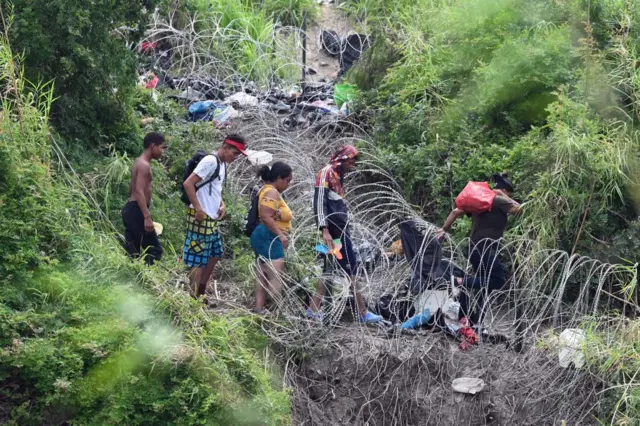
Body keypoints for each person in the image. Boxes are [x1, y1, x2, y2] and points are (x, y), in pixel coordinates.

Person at [307, 145, 383, 323]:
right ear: (342, 158)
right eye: (351, 160)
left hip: (339, 230)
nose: (353, 164)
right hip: (333, 232)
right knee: (351, 269)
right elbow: (319, 202)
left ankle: (313, 308)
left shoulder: (338, 175)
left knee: (331, 269)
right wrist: (324, 229)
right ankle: (362, 313)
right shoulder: (326, 173)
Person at [438, 173, 522, 327]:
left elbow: (456, 211)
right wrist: (503, 195)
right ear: (505, 190)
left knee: (484, 286)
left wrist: (444, 229)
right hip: (485, 248)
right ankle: (459, 281)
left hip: (475, 248)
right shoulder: (498, 200)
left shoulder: (482, 200)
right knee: (497, 280)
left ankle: (476, 322)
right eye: (509, 192)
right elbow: (520, 210)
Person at [182, 134, 247, 302]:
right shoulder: (210, 161)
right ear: (225, 147)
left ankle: (200, 291)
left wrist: (221, 203)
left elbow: (214, 188)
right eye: (234, 153)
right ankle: (193, 298)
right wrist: (198, 208)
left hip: (210, 219)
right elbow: (188, 184)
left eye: (238, 154)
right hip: (200, 218)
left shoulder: (222, 164)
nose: (235, 157)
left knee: (215, 253)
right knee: (199, 259)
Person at [249, 162, 294, 314]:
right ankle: (278, 312)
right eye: (287, 180)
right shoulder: (272, 192)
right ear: (279, 178)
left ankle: (260, 308)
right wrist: (281, 235)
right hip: (268, 236)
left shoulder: (267, 190)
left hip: (264, 235)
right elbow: (265, 216)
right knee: (275, 275)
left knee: (263, 273)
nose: (288, 184)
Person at [122, 132, 166, 265]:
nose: (162, 151)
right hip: (137, 210)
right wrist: (146, 216)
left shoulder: (138, 162)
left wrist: (128, 207)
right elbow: (138, 190)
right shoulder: (144, 165)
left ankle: (132, 277)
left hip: (132, 208)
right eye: (162, 147)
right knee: (154, 249)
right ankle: (145, 276)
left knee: (133, 249)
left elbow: (132, 187)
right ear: (153, 146)